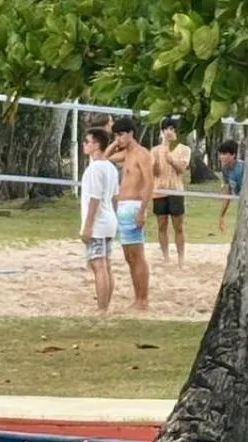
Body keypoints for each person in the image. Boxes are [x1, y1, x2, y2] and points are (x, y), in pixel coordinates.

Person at [105, 118, 153, 310]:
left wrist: (142, 210)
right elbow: (105, 158)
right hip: (123, 206)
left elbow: (149, 183)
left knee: (137, 255)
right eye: (116, 135)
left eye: (121, 134)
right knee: (129, 257)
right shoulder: (126, 154)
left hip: (134, 206)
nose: (119, 139)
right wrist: (116, 143)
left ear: (131, 133)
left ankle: (143, 299)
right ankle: (137, 297)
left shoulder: (142, 154)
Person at [79, 127, 119, 313]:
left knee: (98, 265)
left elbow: (94, 199)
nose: (84, 145)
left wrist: (87, 227)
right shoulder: (110, 167)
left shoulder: (95, 169)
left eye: (87, 142)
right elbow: (114, 198)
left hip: (99, 223)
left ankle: (102, 308)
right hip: (108, 220)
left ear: (96, 145)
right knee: (105, 265)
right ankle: (105, 306)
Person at [151, 117, 192, 265]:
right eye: (167, 129)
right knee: (162, 225)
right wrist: (155, 163)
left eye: (173, 129)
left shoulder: (184, 149)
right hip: (158, 191)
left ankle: (181, 258)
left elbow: (181, 169)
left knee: (178, 226)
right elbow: (154, 172)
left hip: (176, 191)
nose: (170, 132)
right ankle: (166, 257)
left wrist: (171, 160)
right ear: (162, 131)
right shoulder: (155, 150)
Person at [216, 140, 244, 233]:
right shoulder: (225, 170)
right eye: (221, 154)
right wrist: (221, 216)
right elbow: (227, 194)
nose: (221, 157)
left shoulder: (242, 168)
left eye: (225, 154)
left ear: (233, 155)